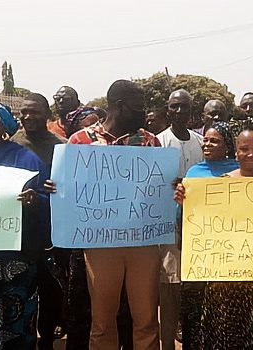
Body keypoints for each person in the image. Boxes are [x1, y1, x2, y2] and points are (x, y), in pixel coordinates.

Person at [45, 80, 161, 349]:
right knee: (102, 321)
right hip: (100, 243)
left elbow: (160, 189)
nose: (143, 114)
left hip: (142, 241)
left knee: (145, 321)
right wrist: (57, 187)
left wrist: (173, 187)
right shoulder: (80, 141)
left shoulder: (149, 141)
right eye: (137, 108)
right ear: (119, 107)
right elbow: (68, 190)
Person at [175, 126, 253, 349]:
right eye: (244, 148)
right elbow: (202, 225)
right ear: (235, 151)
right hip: (225, 282)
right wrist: (186, 201)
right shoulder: (218, 186)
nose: (251, 154)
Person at [173, 121, 239, 350]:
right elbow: (183, 215)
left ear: (228, 146)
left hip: (230, 256)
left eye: (215, 141)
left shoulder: (240, 172)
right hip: (200, 255)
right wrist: (180, 197)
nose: (208, 145)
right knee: (196, 312)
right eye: (206, 140)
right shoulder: (194, 172)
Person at [0, 101, 49, 349]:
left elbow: (47, 198)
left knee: (18, 320)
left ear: (3, 126)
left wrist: (35, 200)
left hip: (15, 255)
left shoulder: (25, 158)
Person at [10, 93, 68, 349]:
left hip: (53, 230)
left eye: (34, 112)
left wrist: (56, 189)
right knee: (21, 289)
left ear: (47, 114)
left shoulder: (63, 147)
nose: (27, 116)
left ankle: (47, 337)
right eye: (23, 112)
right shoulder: (10, 145)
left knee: (51, 289)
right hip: (17, 231)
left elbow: (73, 189)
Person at [157, 89, 204, 350]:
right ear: (167, 109)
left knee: (192, 291)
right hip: (168, 230)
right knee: (169, 291)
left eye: (184, 107)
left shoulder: (200, 142)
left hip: (198, 229)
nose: (179, 112)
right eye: (174, 107)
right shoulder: (159, 142)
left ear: (190, 111)